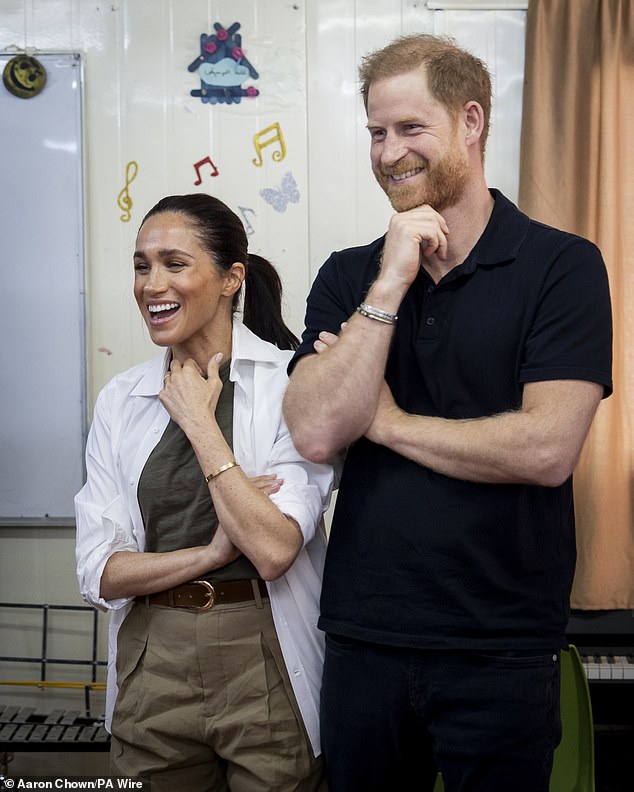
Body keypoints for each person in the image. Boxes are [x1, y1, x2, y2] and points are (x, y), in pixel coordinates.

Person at [283, 34, 612, 792]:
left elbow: (546, 448)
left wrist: (389, 422)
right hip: (364, 638)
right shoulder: (350, 276)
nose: (389, 152)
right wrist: (391, 281)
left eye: (410, 128)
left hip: (502, 646)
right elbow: (314, 429)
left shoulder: (561, 267)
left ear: (471, 121)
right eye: (375, 132)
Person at [75, 193, 335, 791]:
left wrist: (197, 420)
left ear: (231, 279)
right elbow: (98, 571)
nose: (150, 284)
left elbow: (272, 550)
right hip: (153, 660)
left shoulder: (288, 386)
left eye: (174, 263)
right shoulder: (121, 399)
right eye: (142, 265)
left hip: (263, 659)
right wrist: (210, 555)